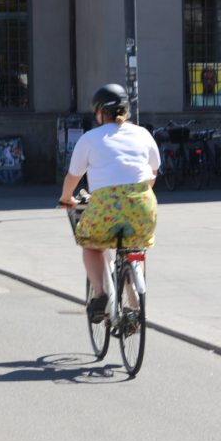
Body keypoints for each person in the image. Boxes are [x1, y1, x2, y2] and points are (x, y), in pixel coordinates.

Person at [59, 84, 160, 323]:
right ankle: (135, 306)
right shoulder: (143, 133)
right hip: (143, 203)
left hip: (105, 206)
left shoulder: (90, 138)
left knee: (92, 246)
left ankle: (100, 294)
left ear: (100, 113)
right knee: (134, 248)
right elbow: (153, 172)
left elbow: (73, 177)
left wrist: (66, 199)